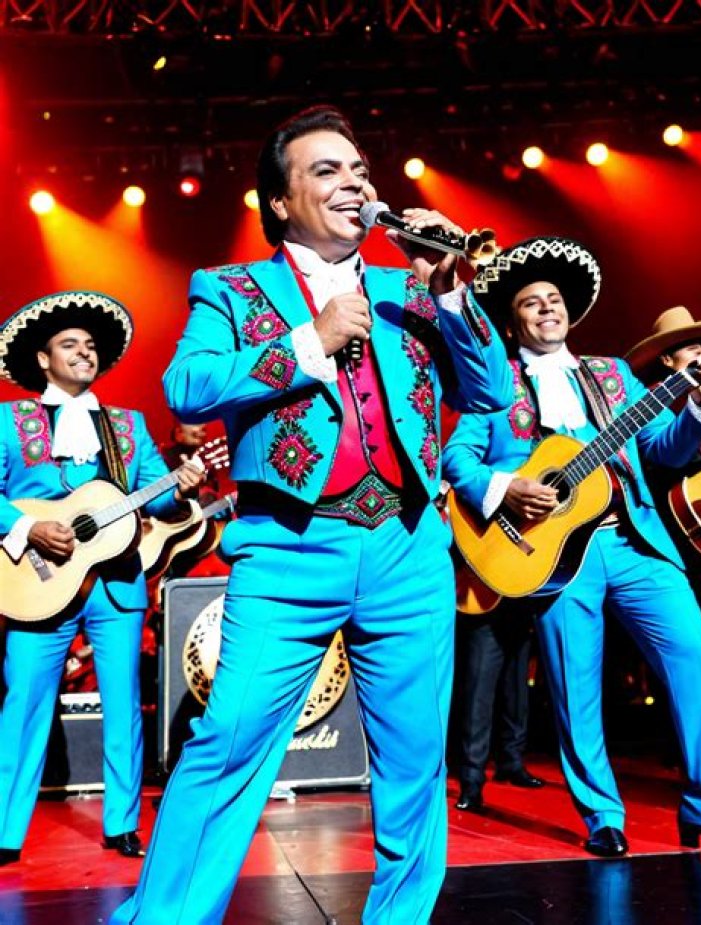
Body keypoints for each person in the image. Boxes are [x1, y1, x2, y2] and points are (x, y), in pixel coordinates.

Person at [110, 104, 513, 925]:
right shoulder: (231, 288)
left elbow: (492, 393)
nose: (353, 183)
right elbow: (186, 386)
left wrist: (454, 295)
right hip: (289, 546)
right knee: (227, 739)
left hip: (408, 544)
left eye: (359, 169)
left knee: (413, 759)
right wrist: (308, 341)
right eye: (326, 171)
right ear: (281, 201)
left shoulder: (410, 290)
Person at [442, 236, 701, 858]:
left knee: (700, 654)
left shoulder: (614, 375)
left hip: (632, 539)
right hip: (552, 556)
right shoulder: (494, 384)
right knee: (576, 686)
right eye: (532, 302)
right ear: (512, 322)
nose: (548, 307)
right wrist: (506, 489)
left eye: (555, 299)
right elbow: (456, 458)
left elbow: (662, 450)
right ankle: (602, 814)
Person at [0, 291, 205, 865]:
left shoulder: (127, 426)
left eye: (90, 345)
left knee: (123, 705)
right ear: (43, 359)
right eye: (69, 344)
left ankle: (121, 823)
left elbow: (156, 502)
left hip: (116, 584)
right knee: (23, 705)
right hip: (37, 581)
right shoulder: (8, 422)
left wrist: (178, 489)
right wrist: (28, 528)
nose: (84, 353)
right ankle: (4, 831)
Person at [625, 306, 701, 635]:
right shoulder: (653, 402)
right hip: (680, 531)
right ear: (667, 359)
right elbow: (669, 454)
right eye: (693, 347)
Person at [454, 598, 545, 815]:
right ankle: (472, 778)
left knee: (517, 687)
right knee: (479, 692)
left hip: (521, 602)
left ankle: (512, 762)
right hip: (485, 602)